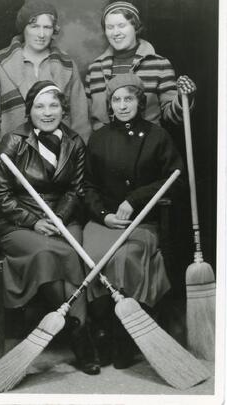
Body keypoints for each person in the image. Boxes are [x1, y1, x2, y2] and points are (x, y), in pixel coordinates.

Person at [0, 80, 99, 375]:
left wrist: (58, 219)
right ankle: (80, 332)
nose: (47, 112)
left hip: (62, 217)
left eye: (53, 105)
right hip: (19, 221)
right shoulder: (13, 141)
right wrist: (35, 221)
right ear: (29, 110)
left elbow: (76, 190)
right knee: (48, 253)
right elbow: (0, 195)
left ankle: (75, 326)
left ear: (63, 109)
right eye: (40, 106)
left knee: (76, 252)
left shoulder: (75, 142)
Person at [83, 73, 185, 370]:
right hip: (104, 221)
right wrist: (104, 215)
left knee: (126, 256)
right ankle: (103, 332)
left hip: (142, 221)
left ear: (140, 101)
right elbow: (88, 186)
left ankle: (125, 336)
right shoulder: (99, 138)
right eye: (117, 99)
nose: (123, 105)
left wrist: (135, 199)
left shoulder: (157, 136)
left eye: (129, 98)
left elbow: (176, 180)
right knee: (97, 258)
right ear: (109, 104)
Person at [0, 0, 91, 151]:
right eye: (34, 26)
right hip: (13, 157)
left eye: (47, 27)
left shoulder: (67, 65)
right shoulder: (0, 63)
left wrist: (79, 155)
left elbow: (81, 121)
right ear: (23, 29)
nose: (41, 34)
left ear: (54, 31)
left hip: (59, 160)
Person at [85, 0, 196, 130]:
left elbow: (173, 118)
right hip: (105, 147)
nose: (115, 33)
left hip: (147, 145)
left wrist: (184, 97)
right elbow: (86, 119)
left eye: (121, 25)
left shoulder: (160, 65)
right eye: (110, 27)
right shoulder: (95, 68)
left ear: (136, 27)